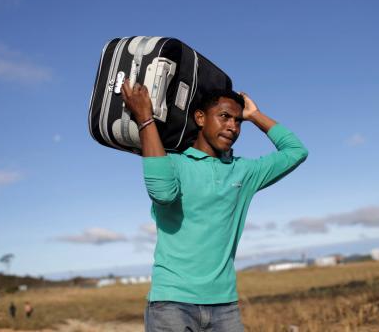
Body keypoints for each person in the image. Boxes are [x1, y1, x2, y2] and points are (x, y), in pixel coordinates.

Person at [121, 81, 308, 332]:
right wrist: (145, 118)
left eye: (238, 121)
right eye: (224, 117)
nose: (233, 126)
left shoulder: (243, 171)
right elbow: (163, 194)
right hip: (171, 304)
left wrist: (254, 115)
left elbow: (296, 151)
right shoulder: (172, 163)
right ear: (200, 118)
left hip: (225, 306)